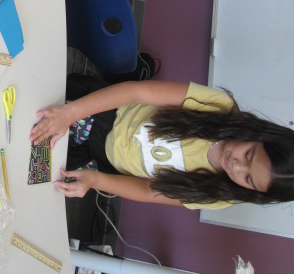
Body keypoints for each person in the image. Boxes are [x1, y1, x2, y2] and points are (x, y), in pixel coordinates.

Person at [30, 79, 294, 209]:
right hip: (101, 114)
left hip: (102, 164)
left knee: (32, 170)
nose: (236, 167)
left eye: (247, 179)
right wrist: (71, 113)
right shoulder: (219, 107)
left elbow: (149, 191)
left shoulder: (221, 196)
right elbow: (137, 91)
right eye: (248, 155)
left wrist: (95, 181)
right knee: (33, 117)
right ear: (258, 134)